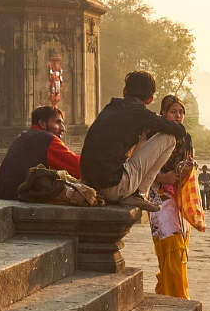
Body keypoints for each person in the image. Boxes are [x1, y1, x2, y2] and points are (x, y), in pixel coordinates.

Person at [79, 70, 189, 209]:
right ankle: (139, 193)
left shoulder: (111, 107)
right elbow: (179, 130)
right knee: (169, 138)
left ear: (124, 91)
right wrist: (154, 123)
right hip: (112, 188)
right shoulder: (139, 113)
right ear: (150, 99)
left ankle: (134, 192)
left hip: (90, 183)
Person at [146, 96, 205, 299]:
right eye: (173, 111)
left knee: (181, 247)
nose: (178, 115)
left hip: (179, 196)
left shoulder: (186, 138)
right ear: (163, 113)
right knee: (170, 244)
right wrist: (164, 177)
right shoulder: (154, 135)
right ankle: (176, 297)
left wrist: (185, 172)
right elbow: (142, 168)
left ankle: (171, 293)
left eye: (180, 111)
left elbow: (188, 162)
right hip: (158, 197)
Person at [0, 105, 82, 201]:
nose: (63, 128)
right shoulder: (46, 139)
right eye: (58, 122)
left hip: (1, 196)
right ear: (42, 123)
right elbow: (78, 167)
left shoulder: (24, 136)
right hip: (18, 200)